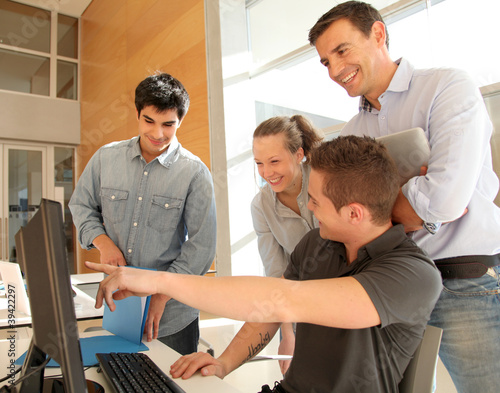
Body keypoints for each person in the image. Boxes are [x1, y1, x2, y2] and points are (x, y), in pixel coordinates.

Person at [87, 136, 442, 393]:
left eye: (315, 202)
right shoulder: (317, 244)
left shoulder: (413, 275)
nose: (309, 208)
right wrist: (224, 363)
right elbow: (269, 314)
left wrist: (161, 282)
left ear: (354, 213)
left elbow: (280, 299)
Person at [308, 2, 500, 392]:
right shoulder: (350, 133)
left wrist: (379, 207)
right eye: (325, 61)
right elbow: (345, 220)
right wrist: (410, 195)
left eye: (341, 51)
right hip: (391, 284)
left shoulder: (447, 87)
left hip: (463, 281)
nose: (334, 69)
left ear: (378, 34)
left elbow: (444, 199)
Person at [69, 72, 217, 355]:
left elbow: (202, 246)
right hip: (120, 307)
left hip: (171, 316)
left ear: (180, 121)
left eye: (168, 124)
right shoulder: (105, 158)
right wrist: (103, 243)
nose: (157, 134)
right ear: (137, 113)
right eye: (149, 121)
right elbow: (80, 205)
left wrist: (161, 295)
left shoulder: (195, 173)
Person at [251, 115, 322, 373]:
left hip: (345, 296)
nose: (267, 173)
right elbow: (276, 275)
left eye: (274, 161)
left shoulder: (326, 180)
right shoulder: (261, 207)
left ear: (298, 154)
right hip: (298, 308)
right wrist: (288, 335)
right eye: (259, 163)